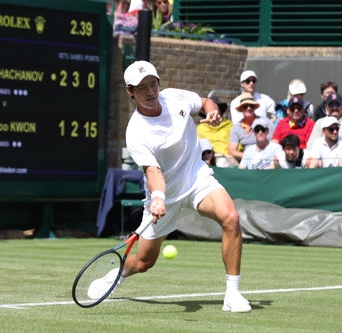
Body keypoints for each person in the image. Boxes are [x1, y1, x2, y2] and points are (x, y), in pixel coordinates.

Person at [100, 60, 251, 312]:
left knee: (231, 218)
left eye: (153, 84)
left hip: (196, 177)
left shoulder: (174, 98)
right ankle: (118, 274)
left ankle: (232, 295)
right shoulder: (136, 131)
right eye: (141, 88)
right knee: (144, 263)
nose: (150, 92)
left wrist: (213, 112)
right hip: (164, 196)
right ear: (130, 92)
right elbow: (153, 172)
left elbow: (204, 102)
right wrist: (158, 197)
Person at [228, 92, 274, 165]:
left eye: (251, 106)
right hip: (246, 159)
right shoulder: (236, 127)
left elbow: (273, 143)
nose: (249, 108)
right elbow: (231, 151)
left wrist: (261, 156)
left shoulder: (266, 122)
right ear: (241, 109)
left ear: (255, 107)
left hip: (266, 158)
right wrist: (249, 156)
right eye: (245, 106)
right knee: (227, 159)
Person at [197, 96, 234, 167]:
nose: (212, 110)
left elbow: (235, 144)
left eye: (215, 107)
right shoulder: (200, 128)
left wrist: (228, 156)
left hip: (227, 158)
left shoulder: (229, 125)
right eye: (209, 108)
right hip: (207, 157)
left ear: (219, 110)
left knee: (222, 162)